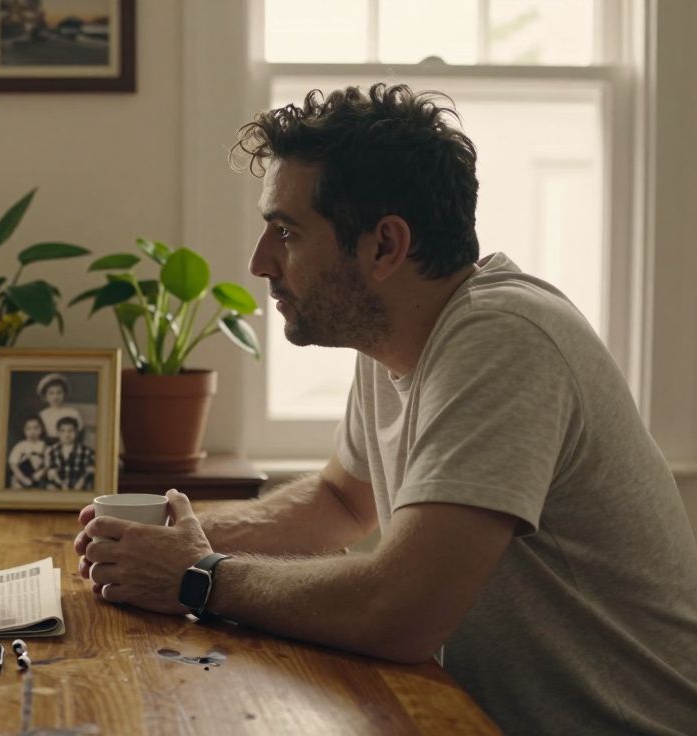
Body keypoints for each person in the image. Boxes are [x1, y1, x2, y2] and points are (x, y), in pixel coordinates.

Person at [73, 84, 697, 734]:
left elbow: (401, 611)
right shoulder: (391, 341)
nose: (260, 262)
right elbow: (339, 503)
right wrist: (155, 542)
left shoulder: (505, 339)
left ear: (384, 247)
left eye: (286, 232)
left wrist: (198, 576)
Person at [45, 416, 95, 491]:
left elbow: (90, 470)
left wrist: (82, 480)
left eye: (70, 431)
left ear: (76, 432)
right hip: (58, 488)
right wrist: (59, 482)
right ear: (58, 433)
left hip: (79, 488)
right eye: (63, 431)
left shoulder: (86, 451)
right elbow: (51, 471)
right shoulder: (52, 451)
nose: (67, 434)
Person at [36, 372, 82, 442]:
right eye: (51, 393)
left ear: (64, 394)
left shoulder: (73, 413)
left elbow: (79, 433)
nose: (55, 397)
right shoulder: (42, 414)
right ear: (45, 396)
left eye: (59, 392)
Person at [6, 415, 48, 488]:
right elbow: (13, 465)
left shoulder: (44, 445)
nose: (32, 431)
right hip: (21, 475)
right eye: (28, 428)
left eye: (36, 428)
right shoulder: (21, 445)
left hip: (37, 476)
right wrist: (23, 479)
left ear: (42, 429)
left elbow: (47, 463)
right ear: (24, 430)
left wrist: (42, 472)